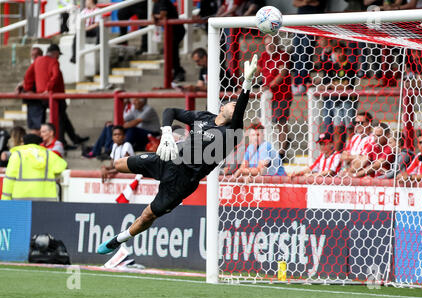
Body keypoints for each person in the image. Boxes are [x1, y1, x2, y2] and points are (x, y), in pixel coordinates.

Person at [97, 54, 258, 255]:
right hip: (167, 159)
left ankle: (119, 239)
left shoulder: (232, 132)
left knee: (147, 216)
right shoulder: (203, 117)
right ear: (222, 107)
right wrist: (166, 133)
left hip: (183, 181)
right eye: (232, 104)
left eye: (237, 106)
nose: (235, 106)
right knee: (120, 164)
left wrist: (247, 83)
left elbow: (241, 107)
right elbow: (170, 111)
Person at [23, 44, 89, 150]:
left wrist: (29, 89)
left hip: (42, 96)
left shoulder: (38, 60)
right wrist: (48, 89)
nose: (58, 57)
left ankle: (74, 138)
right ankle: (62, 142)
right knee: (60, 119)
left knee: (63, 117)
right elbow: (55, 75)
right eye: (58, 55)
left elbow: (28, 76)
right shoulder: (54, 61)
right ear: (56, 53)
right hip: (54, 95)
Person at [257, 34, 293, 161]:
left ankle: (281, 152)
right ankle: (268, 147)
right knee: (262, 119)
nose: (270, 46)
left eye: (272, 44)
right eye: (267, 44)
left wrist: (269, 85)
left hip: (282, 94)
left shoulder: (283, 55)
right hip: (267, 95)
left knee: (280, 121)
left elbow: (282, 74)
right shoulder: (264, 56)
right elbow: (257, 70)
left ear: (277, 43)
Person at [1, 134, 67, 201]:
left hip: (21, 199)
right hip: (46, 199)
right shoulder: (49, 155)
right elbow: (62, 166)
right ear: (39, 143)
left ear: (24, 143)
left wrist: (6, 199)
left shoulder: (17, 155)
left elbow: (9, 179)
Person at [318, 44, 359, 152]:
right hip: (337, 101)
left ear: (345, 52)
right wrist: (334, 85)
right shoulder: (334, 67)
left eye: (340, 51)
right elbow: (333, 83)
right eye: (336, 52)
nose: (338, 54)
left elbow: (346, 85)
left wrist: (332, 85)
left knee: (349, 127)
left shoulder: (350, 66)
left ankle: (351, 150)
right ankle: (337, 153)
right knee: (337, 128)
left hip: (349, 101)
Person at [291, 0, 326, 95]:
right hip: (299, 24)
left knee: (306, 53)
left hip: (312, 24)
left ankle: (303, 81)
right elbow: (295, 3)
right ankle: (296, 82)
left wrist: (303, 2)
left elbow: (317, 3)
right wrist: (305, 2)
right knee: (297, 53)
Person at [152, 0, 186, 82]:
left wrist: (157, 17)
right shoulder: (155, 4)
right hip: (170, 31)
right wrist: (156, 17)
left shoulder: (163, 2)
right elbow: (154, 16)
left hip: (177, 30)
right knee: (170, 51)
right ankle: (177, 72)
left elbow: (162, 15)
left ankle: (178, 72)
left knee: (172, 50)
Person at [17, 46, 44, 136]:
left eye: (36, 55)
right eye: (32, 55)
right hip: (31, 99)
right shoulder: (34, 65)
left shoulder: (40, 64)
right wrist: (21, 85)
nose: (34, 57)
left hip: (36, 99)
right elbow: (28, 79)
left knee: (37, 126)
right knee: (32, 125)